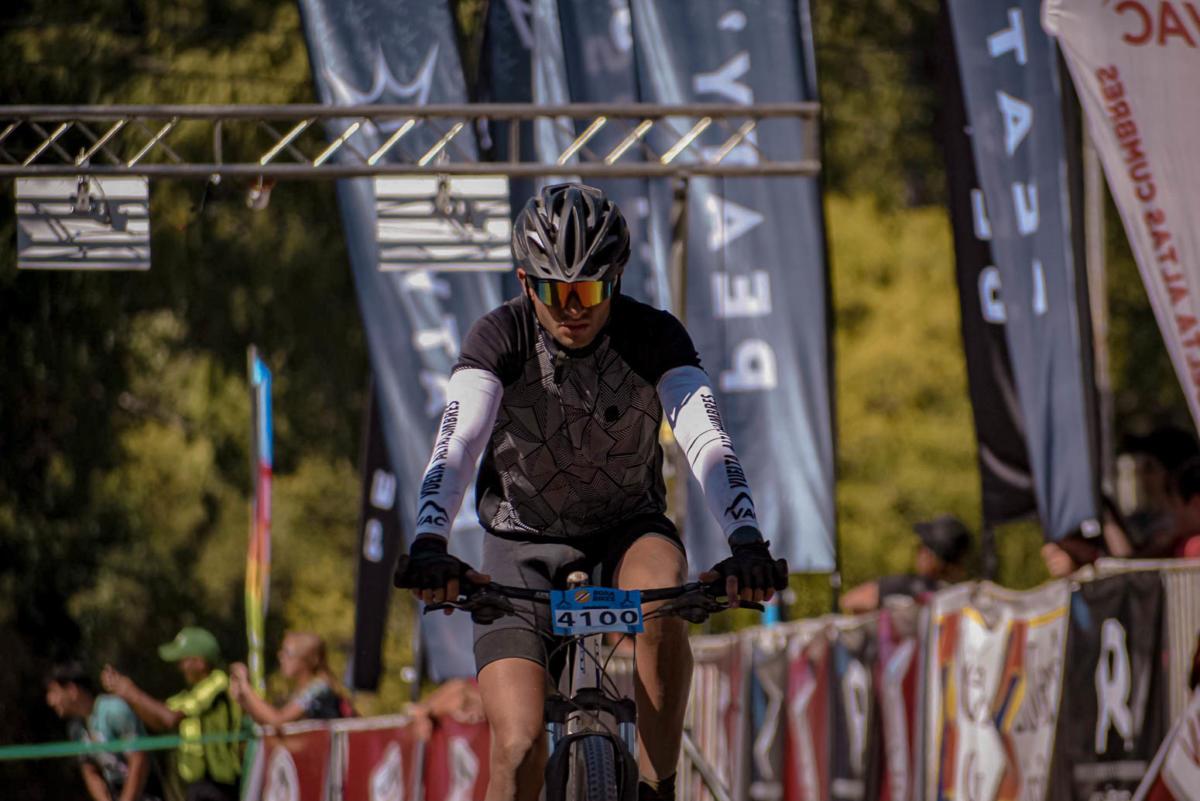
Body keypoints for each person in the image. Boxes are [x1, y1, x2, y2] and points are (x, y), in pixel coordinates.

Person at [392, 183, 788, 801]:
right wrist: (428, 543)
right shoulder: (499, 336)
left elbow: (707, 441)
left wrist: (746, 542)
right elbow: (458, 445)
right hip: (519, 543)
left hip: (626, 528)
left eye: (590, 291)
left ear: (617, 281)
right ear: (526, 283)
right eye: (556, 292)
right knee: (518, 747)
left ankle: (658, 787)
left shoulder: (654, 336)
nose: (572, 309)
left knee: (662, 596)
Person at [102, 627, 244, 801]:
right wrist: (127, 694)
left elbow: (170, 718)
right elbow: (159, 720)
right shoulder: (190, 694)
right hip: (199, 787)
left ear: (200, 662)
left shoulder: (217, 682)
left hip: (220, 786)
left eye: (183, 661)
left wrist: (131, 692)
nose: (180, 667)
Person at [44, 662, 156, 801]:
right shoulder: (76, 729)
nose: (50, 701)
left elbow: (139, 760)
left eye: (54, 692)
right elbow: (90, 771)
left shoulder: (114, 710)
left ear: (72, 690)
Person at [839, 514, 971, 614]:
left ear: (934, 557)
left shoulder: (909, 586)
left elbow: (849, 601)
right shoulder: (967, 596)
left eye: (923, 547)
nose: (919, 552)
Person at [228, 631, 353, 726]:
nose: (280, 656)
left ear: (309, 660)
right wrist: (244, 700)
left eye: (287, 653)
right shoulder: (306, 687)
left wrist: (247, 690)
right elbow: (268, 721)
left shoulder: (318, 688)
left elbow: (278, 721)